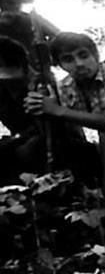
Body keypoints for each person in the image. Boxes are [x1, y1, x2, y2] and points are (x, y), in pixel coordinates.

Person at [21, 32, 105, 199]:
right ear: (60, 65)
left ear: (95, 55)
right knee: (52, 145)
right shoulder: (66, 87)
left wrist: (57, 110)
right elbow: (58, 125)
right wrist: (39, 105)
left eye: (83, 55)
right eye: (68, 59)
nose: (79, 64)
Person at [0, 33, 96, 185]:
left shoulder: (44, 87)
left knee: (31, 149)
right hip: (20, 145)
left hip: (57, 146)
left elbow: (55, 130)